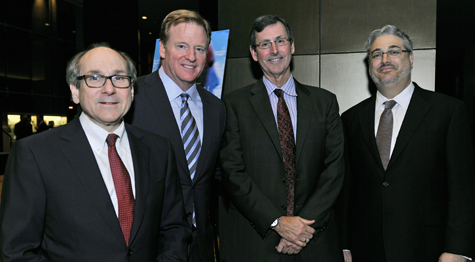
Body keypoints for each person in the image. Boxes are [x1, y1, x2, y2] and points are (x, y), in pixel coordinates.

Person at [0, 43, 191, 261]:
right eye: (95, 78)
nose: (109, 89)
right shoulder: (34, 154)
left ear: (131, 89)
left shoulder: (159, 150)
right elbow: (17, 251)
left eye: (119, 78)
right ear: (75, 90)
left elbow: (175, 229)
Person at [341, 25, 475, 262]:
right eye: (376, 54)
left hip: (429, 249)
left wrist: (458, 249)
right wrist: (343, 245)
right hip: (366, 249)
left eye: (394, 51)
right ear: (369, 64)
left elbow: (463, 189)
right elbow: (345, 191)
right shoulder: (350, 119)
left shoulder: (448, 111)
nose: (385, 59)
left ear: (411, 58)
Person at [219, 14, 345, 261]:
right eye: (264, 44)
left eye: (280, 41)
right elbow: (232, 172)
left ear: (292, 46)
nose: (274, 50)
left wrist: (301, 230)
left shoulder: (324, 103)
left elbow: (334, 170)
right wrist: (277, 222)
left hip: (314, 242)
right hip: (257, 243)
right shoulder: (234, 105)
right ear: (254, 54)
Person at [127, 9, 226, 262]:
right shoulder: (131, 97)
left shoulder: (216, 108)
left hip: (201, 247)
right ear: (162, 49)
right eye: (181, 46)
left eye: (200, 49)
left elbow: (216, 176)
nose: (191, 57)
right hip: (147, 247)